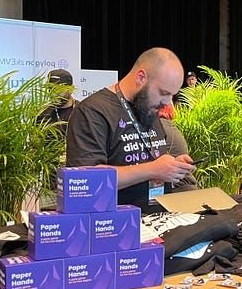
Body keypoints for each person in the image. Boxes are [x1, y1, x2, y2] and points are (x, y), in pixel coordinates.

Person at [66, 47, 197, 211]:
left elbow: (149, 160)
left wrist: (173, 167)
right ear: (141, 77)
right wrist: (153, 169)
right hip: (115, 227)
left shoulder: (148, 107)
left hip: (159, 221)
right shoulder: (92, 112)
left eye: (172, 95)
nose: (167, 102)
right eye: (163, 93)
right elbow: (85, 181)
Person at [38, 69, 76, 136]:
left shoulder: (82, 111)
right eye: (50, 89)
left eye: (58, 89)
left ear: (71, 89)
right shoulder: (42, 113)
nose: (54, 94)